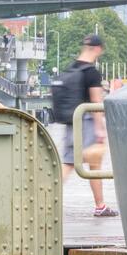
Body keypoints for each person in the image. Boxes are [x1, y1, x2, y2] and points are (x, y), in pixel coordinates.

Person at [49, 34, 117, 219]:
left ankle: (47, 200)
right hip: (86, 121)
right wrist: (100, 129)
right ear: (96, 49)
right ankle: (100, 206)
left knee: (69, 163)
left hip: (71, 121)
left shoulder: (71, 67)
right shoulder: (92, 73)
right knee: (95, 163)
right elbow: (96, 102)